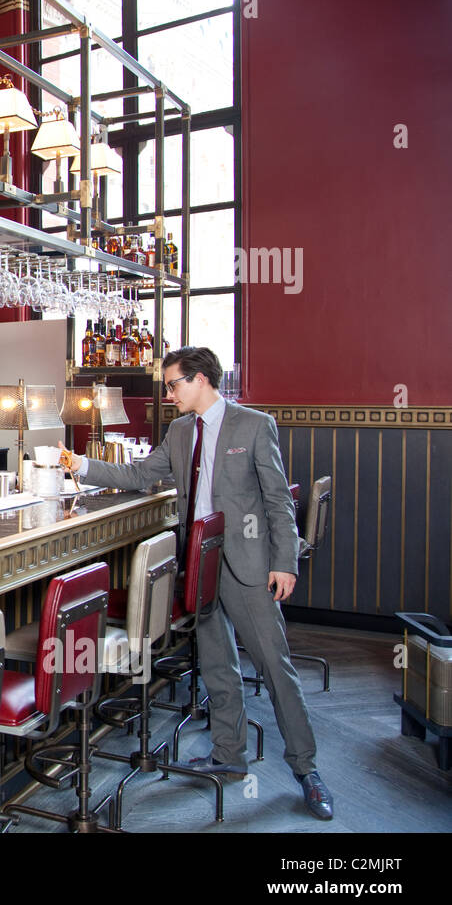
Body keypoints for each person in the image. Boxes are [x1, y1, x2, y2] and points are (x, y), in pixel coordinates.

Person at [61, 346, 333, 820]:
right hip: (200, 562)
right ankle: (229, 756)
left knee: (274, 666)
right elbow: (142, 474)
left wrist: (284, 563)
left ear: (201, 380)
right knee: (217, 665)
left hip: (249, 564)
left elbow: (278, 502)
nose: (168, 394)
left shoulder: (253, 425)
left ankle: (306, 769)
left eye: (173, 384)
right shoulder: (181, 430)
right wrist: (81, 465)